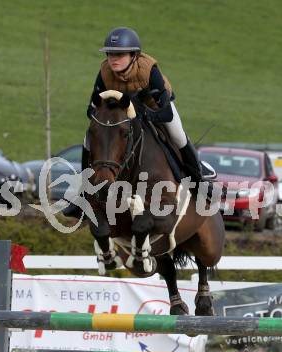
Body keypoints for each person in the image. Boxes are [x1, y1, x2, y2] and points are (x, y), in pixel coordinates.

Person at [64, 27, 211, 218]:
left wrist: (144, 114)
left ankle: (198, 182)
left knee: (178, 135)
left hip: (155, 108)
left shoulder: (149, 70)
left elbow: (165, 113)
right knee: (87, 140)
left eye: (120, 54)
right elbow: (91, 107)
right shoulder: (104, 71)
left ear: (134, 55)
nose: (113, 59)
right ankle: (84, 193)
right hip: (122, 111)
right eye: (110, 54)